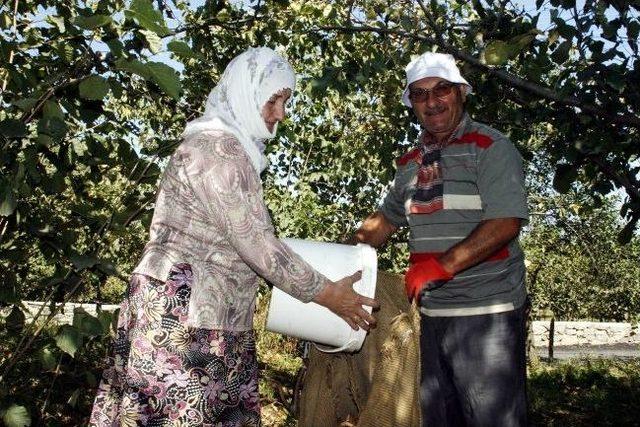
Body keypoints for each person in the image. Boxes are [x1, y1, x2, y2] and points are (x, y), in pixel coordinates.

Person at [89, 47, 379, 426]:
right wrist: (329, 295)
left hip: (194, 311)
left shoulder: (221, 147)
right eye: (274, 100)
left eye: (285, 101)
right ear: (248, 92)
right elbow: (257, 244)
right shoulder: (219, 150)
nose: (280, 114)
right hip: (187, 318)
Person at [346, 52, 529, 426]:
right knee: (437, 418)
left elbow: (506, 222)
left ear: (461, 92)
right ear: (411, 104)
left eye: (441, 90)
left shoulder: (490, 147)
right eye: (420, 94)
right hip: (428, 318)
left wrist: (441, 267)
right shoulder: (411, 163)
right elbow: (383, 222)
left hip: (486, 315)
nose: (432, 102)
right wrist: (334, 259)